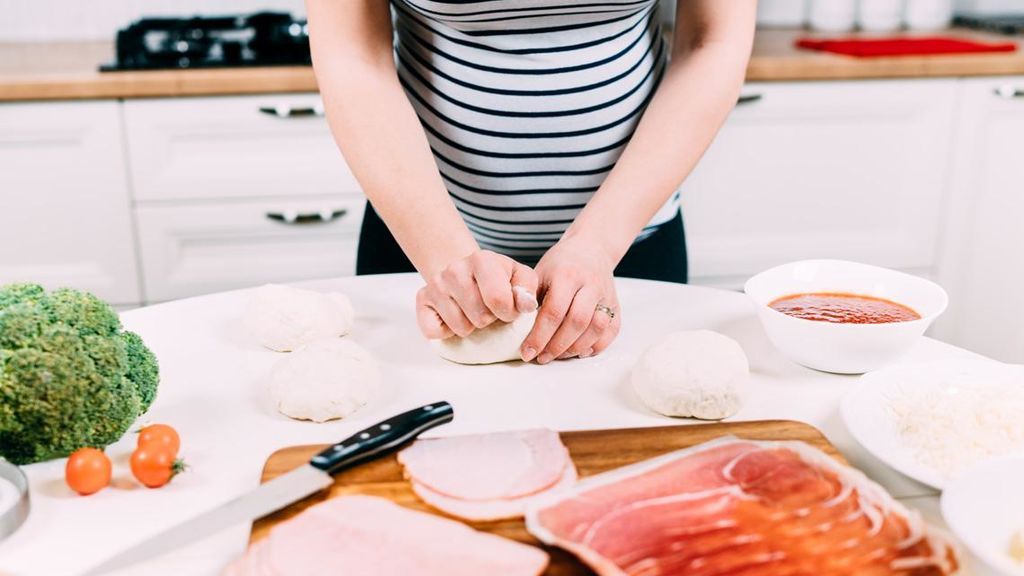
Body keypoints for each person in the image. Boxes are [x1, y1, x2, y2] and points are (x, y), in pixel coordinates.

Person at [307, 0, 756, 363]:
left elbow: (711, 41)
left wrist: (597, 246)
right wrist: (445, 256)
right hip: (421, 245)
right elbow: (352, 54)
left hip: (631, 240)